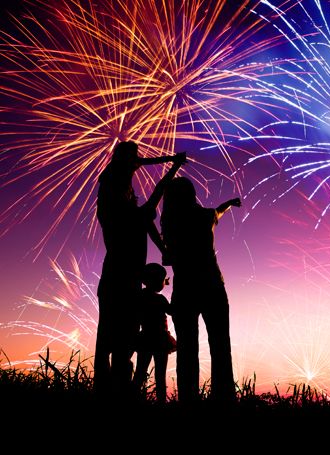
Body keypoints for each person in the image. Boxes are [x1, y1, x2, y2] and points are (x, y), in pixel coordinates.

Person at [94, 141, 186, 394]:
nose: (135, 168)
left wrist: (164, 249)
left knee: (117, 338)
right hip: (120, 280)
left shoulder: (125, 209)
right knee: (116, 339)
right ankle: (114, 390)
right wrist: (172, 167)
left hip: (122, 279)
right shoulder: (123, 211)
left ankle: (114, 389)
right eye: (132, 161)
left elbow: (149, 223)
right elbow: (155, 197)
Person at [161, 177, 240, 402]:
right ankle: (224, 397)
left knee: (186, 348)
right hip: (213, 285)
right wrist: (228, 203)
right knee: (220, 344)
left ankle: (188, 398)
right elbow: (217, 212)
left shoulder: (169, 223)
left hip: (185, 288)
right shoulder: (206, 216)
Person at [133, 263, 177, 403]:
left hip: (145, 338)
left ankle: (131, 398)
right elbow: (171, 311)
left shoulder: (140, 297)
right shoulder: (160, 299)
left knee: (140, 372)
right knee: (160, 374)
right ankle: (161, 402)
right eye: (161, 279)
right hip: (160, 340)